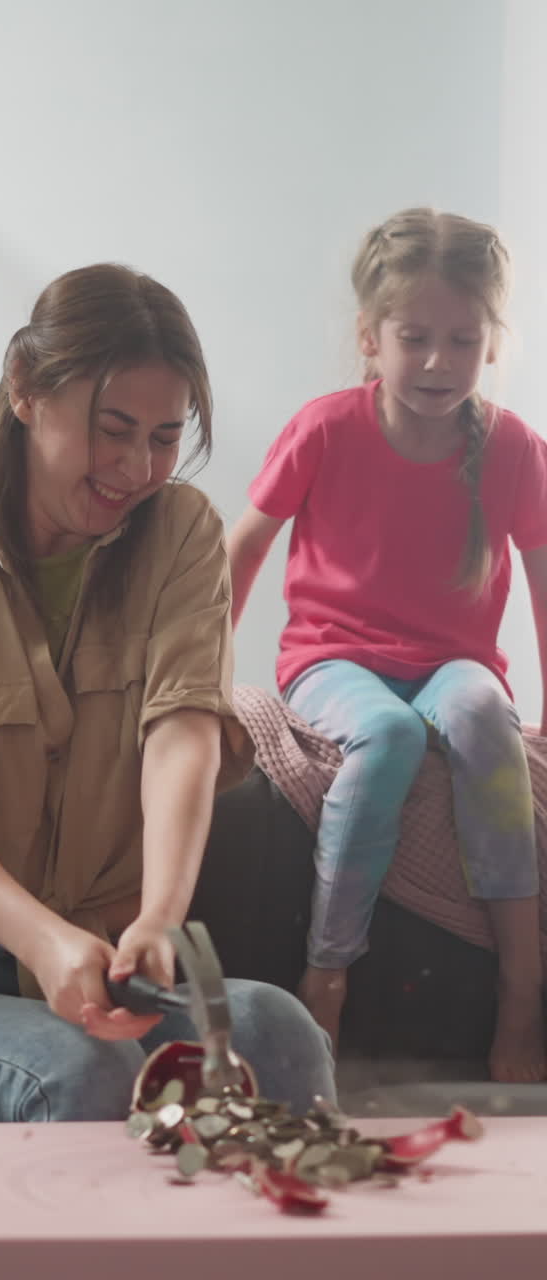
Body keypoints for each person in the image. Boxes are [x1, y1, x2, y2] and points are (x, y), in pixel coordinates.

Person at [0, 264, 335, 1122]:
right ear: (25, 388)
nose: (138, 467)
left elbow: (183, 734)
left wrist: (159, 919)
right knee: (75, 1071)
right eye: (114, 429)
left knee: (283, 1034)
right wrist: (43, 942)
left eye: (166, 437)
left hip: (113, 963)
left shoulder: (180, 536)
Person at [227, 208, 547, 1084]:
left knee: (486, 717)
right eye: (416, 337)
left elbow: (545, 576)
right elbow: (243, 546)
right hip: (333, 659)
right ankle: (328, 971)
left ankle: (525, 988)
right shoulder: (327, 428)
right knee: (392, 735)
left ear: (491, 343)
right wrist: (199, 673)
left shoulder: (516, 448)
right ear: (371, 338)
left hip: (454, 665)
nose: (439, 361)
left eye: (462, 339)